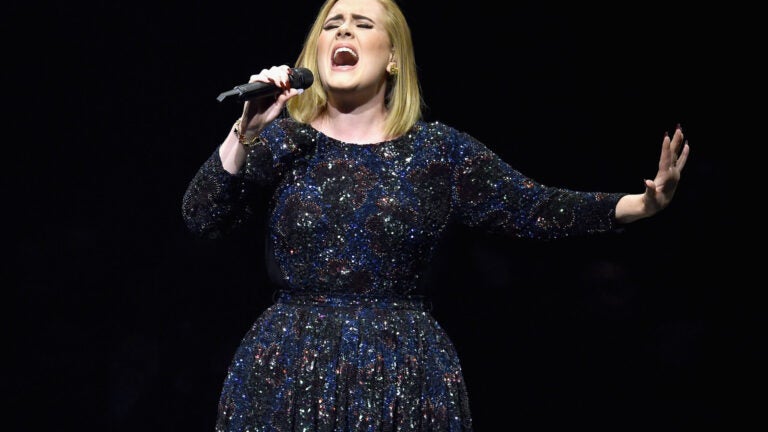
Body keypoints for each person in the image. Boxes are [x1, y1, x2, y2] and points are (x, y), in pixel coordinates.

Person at [182, 0, 689, 430]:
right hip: (288, 362)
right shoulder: (281, 141)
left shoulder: (437, 151)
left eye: (362, 23)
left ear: (394, 57)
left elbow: (533, 206)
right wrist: (244, 132)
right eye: (332, 25)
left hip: (403, 366)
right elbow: (203, 218)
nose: (344, 31)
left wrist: (639, 205)